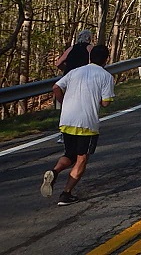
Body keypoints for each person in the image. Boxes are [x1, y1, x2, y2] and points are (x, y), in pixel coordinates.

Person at [40, 45, 115, 206]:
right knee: (82, 159)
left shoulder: (75, 71)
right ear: (106, 60)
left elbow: (56, 87)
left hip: (67, 120)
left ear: (90, 58)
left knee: (70, 154)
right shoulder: (106, 76)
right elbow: (106, 102)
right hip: (86, 123)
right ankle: (66, 194)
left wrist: (63, 101)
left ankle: (54, 172)